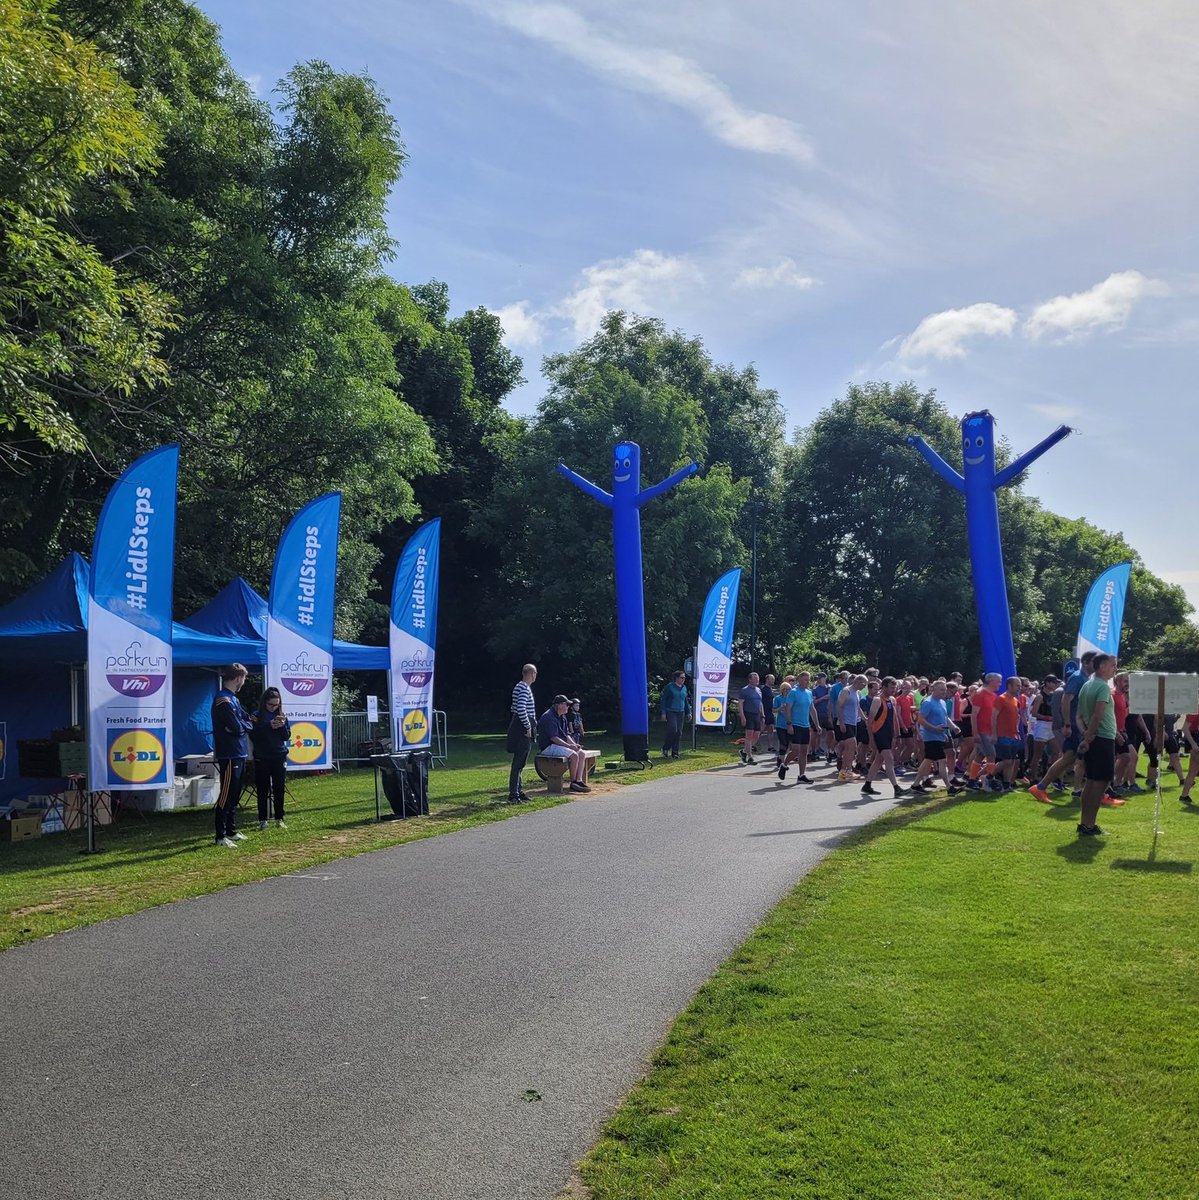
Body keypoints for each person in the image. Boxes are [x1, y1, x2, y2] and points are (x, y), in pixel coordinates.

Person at [1029, 652, 1095, 804]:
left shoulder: (1085, 678)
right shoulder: (1078, 678)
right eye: (1094, 662)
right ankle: (1042, 787)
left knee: (1071, 758)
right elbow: (1066, 700)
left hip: (1078, 724)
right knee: (1070, 757)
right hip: (1074, 724)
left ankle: (1072, 789)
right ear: (1085, 662)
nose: (1097, 665)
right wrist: (1067, 724)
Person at [1075, 654, 1120, 835]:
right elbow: (1098, 715)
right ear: (1101, 666)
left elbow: (1078, 716)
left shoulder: (1087, 685)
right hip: (1101, 739)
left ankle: (1085, 823)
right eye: (1113, 665)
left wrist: (1085, 734)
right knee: (1100, 783)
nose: (1115, 669)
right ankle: (1089, 825)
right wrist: (1089, 737)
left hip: (1095, 738)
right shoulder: (1102, 687)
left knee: (1092, 781)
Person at [211, 663, 254, 848]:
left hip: (239, 752)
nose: (243, 682)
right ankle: (220, 836)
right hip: (229, 753)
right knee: (226, 794)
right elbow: (237, 727)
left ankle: (231, 830)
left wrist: (240, 727)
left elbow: (247, 722)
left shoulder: (233, 699)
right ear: (238, 678)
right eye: (243, 678)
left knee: (235, 793)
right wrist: (240, 727)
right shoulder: (223, 701)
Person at [249, 686, 291, 830]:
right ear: (264, 702)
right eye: (271, 704)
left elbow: (286, 737)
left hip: (279, 756)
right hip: (262, 757)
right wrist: (268, 726)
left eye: (277, 704)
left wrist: (282, 725)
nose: (274, 707)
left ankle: (279, 818)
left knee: (279, 788)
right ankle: (263, 819)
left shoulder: (281, 715)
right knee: (262, 789)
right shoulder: (256, 716)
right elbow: (253, 736)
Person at [911, 679, 963, 794]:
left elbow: (945, 719)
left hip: (939, 736)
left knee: (928, 760)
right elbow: (921, 720)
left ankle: (915, 785)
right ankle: (949, 787)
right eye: (941, 690)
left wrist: (953, 727)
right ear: (933, 690)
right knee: (942, 761)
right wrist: (935, 729)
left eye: (944, 689)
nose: (944, 692)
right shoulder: (928, 702)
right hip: (930, 737)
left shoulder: (942, 702)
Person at [861, 676, 909, 799]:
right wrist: (871, 738)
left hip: (888, 734)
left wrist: (896, 735)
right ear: (884, 687)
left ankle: (867, 785)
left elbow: (894, 718)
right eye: (891, 687)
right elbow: (870, 720)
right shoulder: (877, 700)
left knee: (878, 760)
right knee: (889, 759)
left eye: (895, 687)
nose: (894, 689)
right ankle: (896, 788)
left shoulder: (892, 699)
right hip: (879, 733)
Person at [537, 694, 591, 792]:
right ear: (559, 705)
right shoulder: (549, 717)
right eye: (567, 704)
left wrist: (574, 745)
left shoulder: (562, 717)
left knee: (581, 753)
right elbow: (554, 738)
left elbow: (566, 735)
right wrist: (569, 746)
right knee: (574, 755)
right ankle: (573, 782)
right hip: (548, 747)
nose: (568, 707)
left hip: (557, 745)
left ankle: (578, 780)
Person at [780, 671, 819, 784]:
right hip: (795, 724)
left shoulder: (809, 693)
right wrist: (789, 723)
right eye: (805, 679)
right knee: (796, 750)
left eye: (809, 679)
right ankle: (784, 764)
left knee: (804, 751)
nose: (808, 682)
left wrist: (817, 725)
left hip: (805, 725)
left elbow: (812, 709)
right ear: (799, 680)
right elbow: (788, 708)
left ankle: (801, 775)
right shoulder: (793, 692)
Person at [506, 663, 537, 804]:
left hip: (520, 725)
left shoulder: (521, 687)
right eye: (535, 673)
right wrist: (528, 727)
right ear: (531, 673)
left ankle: (518, 790)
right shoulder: (524, 688)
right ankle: (514, 794)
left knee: (521, 762)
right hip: (522, 728)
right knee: (518, 762)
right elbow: (521, 708)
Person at [658, 670, 690, 758]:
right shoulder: (670, 687)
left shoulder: (684, 687)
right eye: (681, 677)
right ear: (676, 678)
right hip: (671, 711)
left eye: (684, 678)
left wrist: (688, 712)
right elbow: (663, 700)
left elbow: (685, 700)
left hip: (681, 711)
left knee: (679, 732)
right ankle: (666, 748)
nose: (683, 679)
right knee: (673, 730)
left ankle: (675, 752)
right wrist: (663, 713)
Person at [738, 672, 764, 764]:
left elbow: (760, 704)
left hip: (757, 715)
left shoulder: (759, 690)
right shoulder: (745, 690)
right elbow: (740, 704)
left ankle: (744, 751)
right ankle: (750, 757)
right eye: (755, 678)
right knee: (749, 736)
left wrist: (762, 716)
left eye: (758, 678)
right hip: (748, 714)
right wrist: (742, 717)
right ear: (750, 679)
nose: (757, 680)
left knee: (756, 736)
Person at [759, 675, 777, 756]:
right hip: (764, 711)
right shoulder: (763, 689)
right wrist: (761, 713)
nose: (773, 680)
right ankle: (753, 744)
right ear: (767, 679)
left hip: (770, 712)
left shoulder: (771, 690)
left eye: (773, 679)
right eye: (771, 679)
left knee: (771, 729)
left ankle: (771, 746)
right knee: (762, 729)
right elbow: (760, 702)